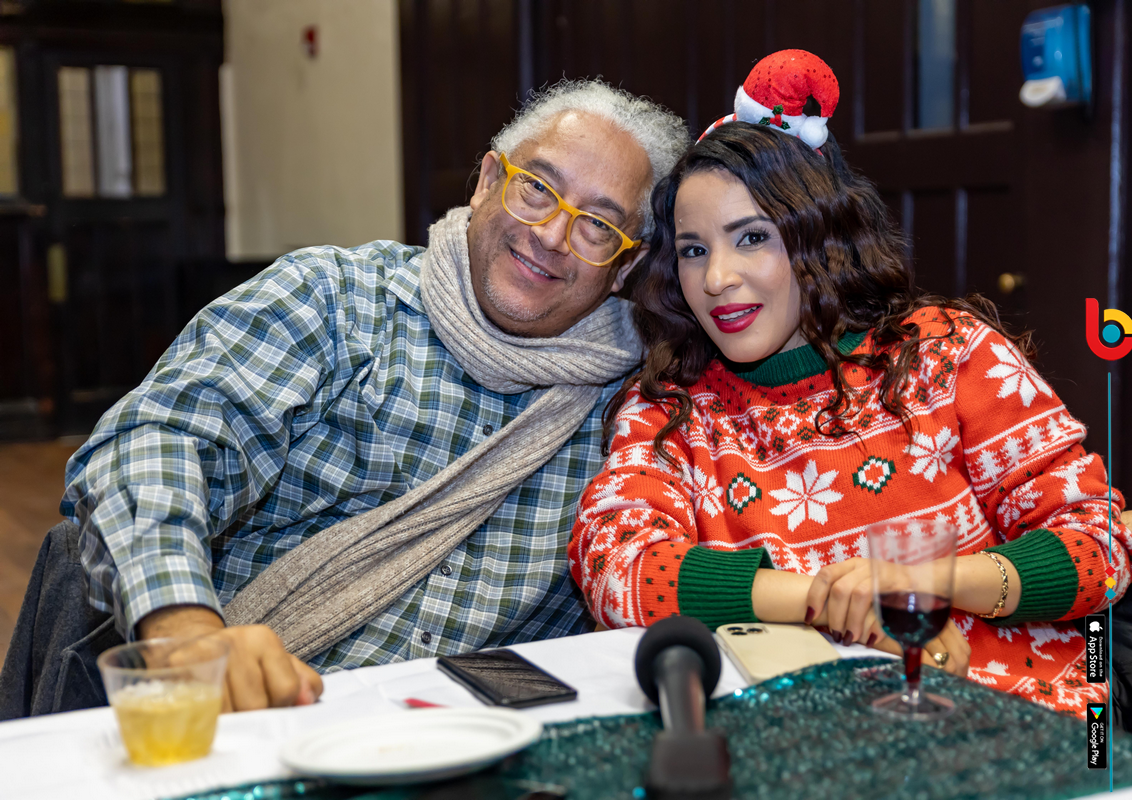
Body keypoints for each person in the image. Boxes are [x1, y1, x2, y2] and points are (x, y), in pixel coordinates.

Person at [54, 80, 689, 712]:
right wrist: (184, 628)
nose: (551, 234)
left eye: (597, 225)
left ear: (626, 266)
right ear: (487, 182)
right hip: (254, 713)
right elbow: (153, 443)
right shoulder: (332, 299)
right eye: (537, 189)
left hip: (474, 740)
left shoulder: (642, 404)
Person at [569, 51, 1132, 717]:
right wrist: (831, 599)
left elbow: (1099, 544)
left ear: (822, 237)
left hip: (1037, 717)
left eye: (752, 238)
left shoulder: (947, 354)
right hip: (809, 736)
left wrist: (925, 584)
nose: (717, 278)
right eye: (694, 250)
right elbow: (615, 565)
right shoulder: (671, 409)